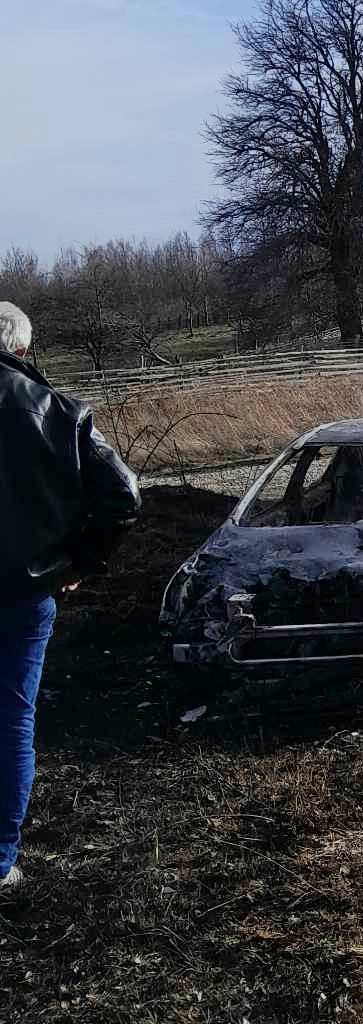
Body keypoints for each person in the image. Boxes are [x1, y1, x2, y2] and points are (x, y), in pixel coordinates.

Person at [0, 301, 140, 892]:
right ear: (24, 350)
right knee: (11, 719)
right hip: (24, 590)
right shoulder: (59, 412)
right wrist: (78, 562)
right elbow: (124, 495)